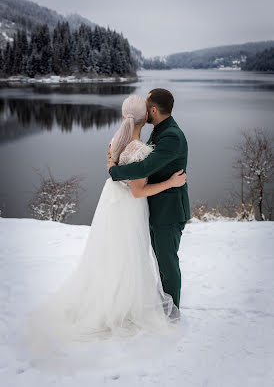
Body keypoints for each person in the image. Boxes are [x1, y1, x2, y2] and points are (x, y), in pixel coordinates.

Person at [14, 94, 187, 374]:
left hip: (112, 207)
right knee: (131, 257)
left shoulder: (115, 142)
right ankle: (131, 307)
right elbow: (138, 189)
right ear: (146, 116)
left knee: (113, 255)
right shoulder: (140, 149)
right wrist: (169, 182)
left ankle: (112, 298)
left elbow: (123, 173)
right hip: (130, 208)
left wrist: (112, 169)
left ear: (124, 116)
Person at [107, 88, 191, 310]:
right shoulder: (161, 130)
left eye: (147, 106)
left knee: (167, 263)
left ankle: (172, 313)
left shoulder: (171, 135)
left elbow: (146, 166)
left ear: (153, 110)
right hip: (156, 206)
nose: (144, 111)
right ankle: (163, 304)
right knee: (160, 261)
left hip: (169, 211)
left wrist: (114, 172)